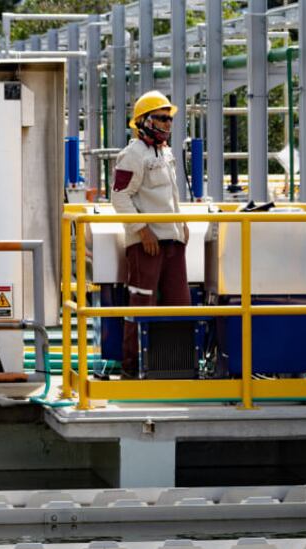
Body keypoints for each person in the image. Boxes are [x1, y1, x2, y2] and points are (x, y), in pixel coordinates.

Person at [111, 90, 190, 378]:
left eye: (169, 119)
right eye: (161, 118)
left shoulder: (166, 152)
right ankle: (133, 368)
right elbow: (120, 197)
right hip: (146, 244)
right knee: (143, 302)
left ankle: (176, 366)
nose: (167, 124)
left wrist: (181, 225)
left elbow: (172, 193)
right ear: (144, 121)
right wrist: (142, 231)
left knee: (179, 304)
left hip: (172, 240)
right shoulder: (132, 155)